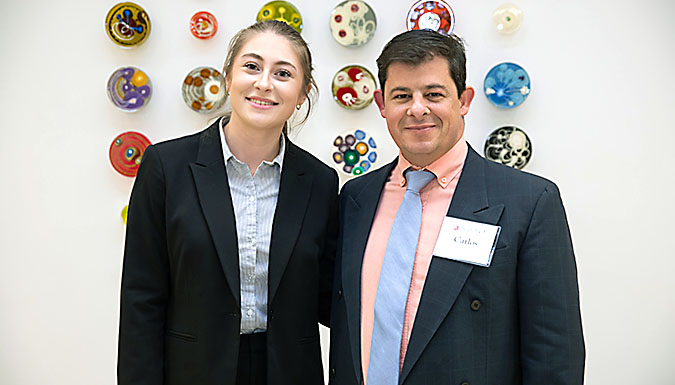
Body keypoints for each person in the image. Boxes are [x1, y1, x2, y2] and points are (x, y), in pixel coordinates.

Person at [329, 30, 585, 385]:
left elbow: (554, 354)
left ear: (463, 100)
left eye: (433, 94)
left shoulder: (529, 202)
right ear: (382, 104)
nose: (417, 108)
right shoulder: (355, 198)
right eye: (402, 95)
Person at [118, 20, 338, 385]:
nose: (264, 83)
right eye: (251, 67)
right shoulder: (165, 168)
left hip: (289, 372)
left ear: (303, 93)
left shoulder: (320, 181)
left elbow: (332, 296)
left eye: (283, 73)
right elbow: (142, 298)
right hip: (192, 371)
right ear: (228, 77)